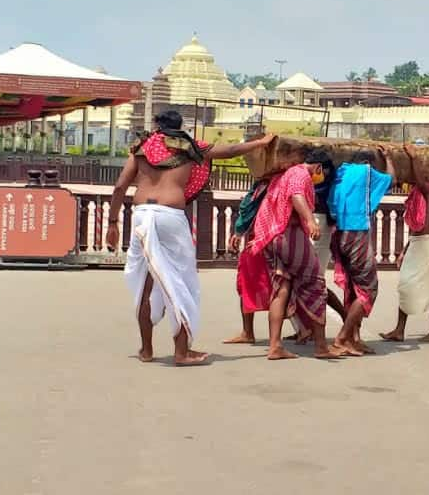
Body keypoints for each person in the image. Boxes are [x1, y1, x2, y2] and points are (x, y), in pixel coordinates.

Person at [108, 110, 272, 366]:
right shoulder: (189, 146)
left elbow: (119, 187)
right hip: (171, 215)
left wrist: (112, 222)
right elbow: (229, 150)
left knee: (144, 284)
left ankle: (147, 349)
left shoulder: (140, 147)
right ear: (179, 125)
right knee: (181, 282)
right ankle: (182, 352)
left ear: (156, 125)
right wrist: (259, 143)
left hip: (141, 215)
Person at [239, 146, 345, 360]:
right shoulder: (300, 174)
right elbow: (297, 196)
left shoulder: (283, 174)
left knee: (281, 288)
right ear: (317, 167)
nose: (321, 177)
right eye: (322, 172)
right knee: (316, 284)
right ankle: (321, 346)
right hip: (290, 235)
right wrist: (310, 219)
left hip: (271, 237)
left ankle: (275, 346)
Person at [328, 147, 394, 356]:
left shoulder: (341, 172)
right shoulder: (365, 171)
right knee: (367, 289)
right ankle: (342, 337)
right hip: (357, 232)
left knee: (352, 286)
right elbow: (391, 180)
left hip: (339, 233)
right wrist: (389, 158)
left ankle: (355, 339)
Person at [381, 144, 429, 343]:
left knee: (424, 288)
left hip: (425, 245)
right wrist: (404, 251)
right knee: (406, 286)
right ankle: (399, 330)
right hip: (417, 244)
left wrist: (413, 157)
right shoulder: (418, 195)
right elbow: (414, 232)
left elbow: (419, 180)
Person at [294, 148, 346, 343]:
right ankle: (304, 327)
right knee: (305, 282)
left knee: (312, 282)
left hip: (318, 223)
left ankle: (339, 320)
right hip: (315, 223)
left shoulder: (321, 184)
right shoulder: (319, 180)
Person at [222, 176, 274, 345]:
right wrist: (239, 231)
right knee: (249, 282)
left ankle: (294, 333)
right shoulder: (261, 184)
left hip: (270, 237)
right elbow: (248, 207)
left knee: (280, 285)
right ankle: (248, 332)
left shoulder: (278, 181)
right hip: (259, 236)